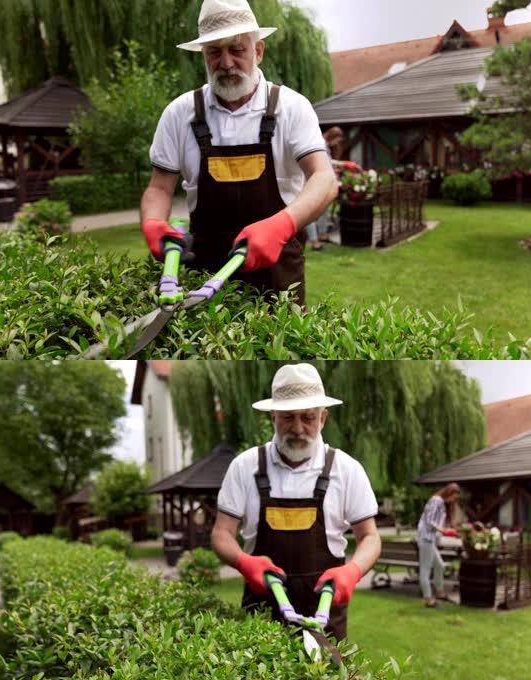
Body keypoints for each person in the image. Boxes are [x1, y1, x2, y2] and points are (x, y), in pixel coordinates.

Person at [141, 0, 338, 305]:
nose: (227, 63)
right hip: (203, 271)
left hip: (278, 274)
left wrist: (282, 224)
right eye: (215, 52)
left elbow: (324, 178)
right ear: (203, 56)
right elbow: (159, 186)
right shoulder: (180, 113)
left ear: (258, 51)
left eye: (237, 49)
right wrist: (153, 222)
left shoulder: (291, 107)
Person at [210, 363, 382, 641]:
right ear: (273, 417)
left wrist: (353, 570)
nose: (298, 428)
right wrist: (243, 562)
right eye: (288, 417)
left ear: (323, 418)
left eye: (308, 417)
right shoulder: (245, 466)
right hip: (260, 613)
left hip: (325, 615)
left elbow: (370, 537)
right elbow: (221, 533)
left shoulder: (346, 469)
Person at [417, 483, 461, 608]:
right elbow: (429, 521)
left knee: (439, 565)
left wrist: (449, 529)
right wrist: (444, 531)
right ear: (449, 493)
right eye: (454, 497)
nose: (453, 500)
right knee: (425, 569)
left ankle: (440, 592)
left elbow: (437, 522)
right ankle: (429, 599)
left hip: (430, 539)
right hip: (426, 538)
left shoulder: (441, 503)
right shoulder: (436, 501)